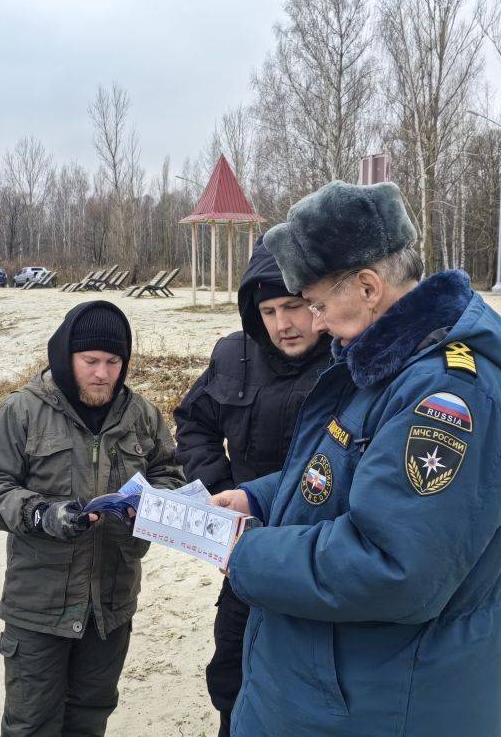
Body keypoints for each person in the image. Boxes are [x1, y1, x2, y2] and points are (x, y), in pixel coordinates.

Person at [211, 181, 501, 736]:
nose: (312, 324)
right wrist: (258, 497)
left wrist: (248, 552)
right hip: (335, 683)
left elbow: (394, 565)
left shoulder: (448, 394)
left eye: (316, 304)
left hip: (384, 702)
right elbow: (341, 472)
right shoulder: (380, 363)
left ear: (367, 286)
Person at [0, 300, 184, 737]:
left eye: (113, 361)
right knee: (32, 724)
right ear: (66, 357)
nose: (102, 373)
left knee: (90, 718)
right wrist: (42, 514)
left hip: (111, 605)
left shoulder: (141, 415)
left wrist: (153, 503)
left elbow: (169, 474)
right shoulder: (24, 410)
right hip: (39, 607)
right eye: (91, 361)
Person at [173, 241, 330, 736]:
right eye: (268, 310)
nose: (283, 324)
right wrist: (222, 495)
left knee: (310, 687)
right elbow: (193, 424)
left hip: (320, 558)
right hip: (244, 549)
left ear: (318, 302)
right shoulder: (232, 355)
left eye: (294, 307)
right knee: (232, 674)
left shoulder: (350, 361)